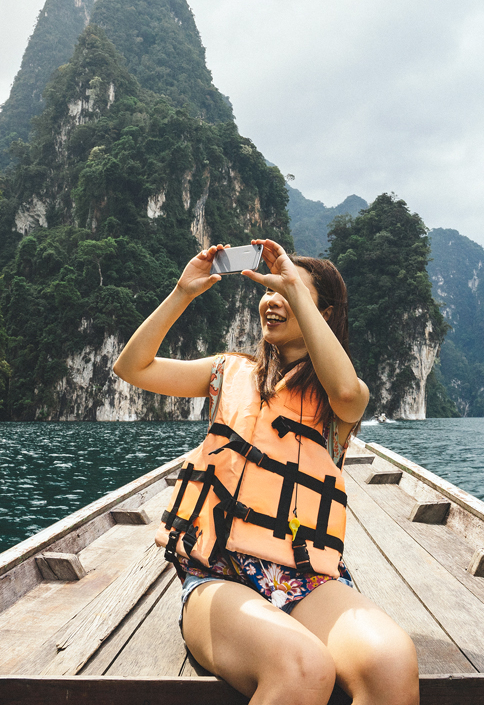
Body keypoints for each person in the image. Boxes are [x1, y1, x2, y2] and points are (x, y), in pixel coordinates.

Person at [113, 239, 419, 705]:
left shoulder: (342, 402)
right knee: (302, 667)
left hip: (305, 578)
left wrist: (292, 284)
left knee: (392, 662)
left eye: (288, 288)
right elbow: (132, 367)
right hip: (217, 574)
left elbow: (344, 387)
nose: (272, 297)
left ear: (325, 311)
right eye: (269, 287)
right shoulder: (226, 372)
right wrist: (182, 292)